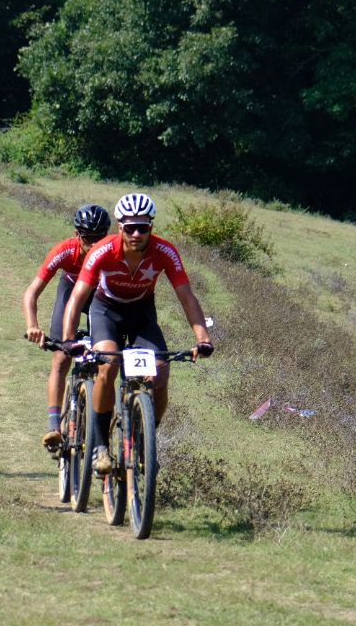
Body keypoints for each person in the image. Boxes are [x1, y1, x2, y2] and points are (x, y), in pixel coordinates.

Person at [59, 193, 213, 474]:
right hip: (106, 312)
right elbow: (79, 296)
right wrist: (69, 339)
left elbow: (186, 296)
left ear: (151, 227)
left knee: (161, 373)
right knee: (108, 366)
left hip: (142, 315)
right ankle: (101, 446)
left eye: (143, 227)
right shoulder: (103, 250)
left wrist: (202, 338)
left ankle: (145, 435)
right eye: (130, 227)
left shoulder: (165, 251)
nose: (137, 234)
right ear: (120, 227)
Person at [22, 204, 112, 451]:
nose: (92, 245)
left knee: (106, 360)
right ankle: (54, 427)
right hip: (71, 291)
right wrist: (33, 326)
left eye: (99, 238)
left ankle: (101, 421)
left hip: (100, 299)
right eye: (87, 238)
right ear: (77, 234)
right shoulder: (64, 251)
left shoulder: (113, 252)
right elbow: (31, 293)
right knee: (62, 358)